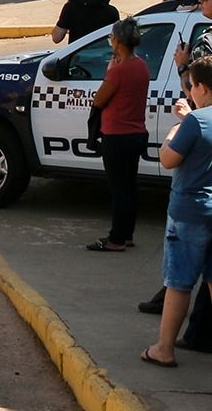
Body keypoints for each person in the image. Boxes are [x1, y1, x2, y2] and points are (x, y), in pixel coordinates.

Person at [141, 56, 212, 367]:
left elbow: (168, 158)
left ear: (204, 89)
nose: (191, 91)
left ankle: (163, 349)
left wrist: (179, 125)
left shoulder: (196, 121)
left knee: (179, 283)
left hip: (190, 211)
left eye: (193, 85)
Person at [86, 17, 150, 252]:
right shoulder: (141, 66)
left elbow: (99, 99)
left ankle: (116, 238)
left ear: (119, 42)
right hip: (135, 134)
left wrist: (108, 73)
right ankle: (127, 234)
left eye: (112, 38)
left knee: (118, 189)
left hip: (117, 135)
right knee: (129, 187)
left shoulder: (119, 71)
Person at [52, 0, 120, 45]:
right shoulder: (112, 11)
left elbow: (56, 38)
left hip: (78, 58)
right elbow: (119, 42)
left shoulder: (70, 8)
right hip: (104, 58)